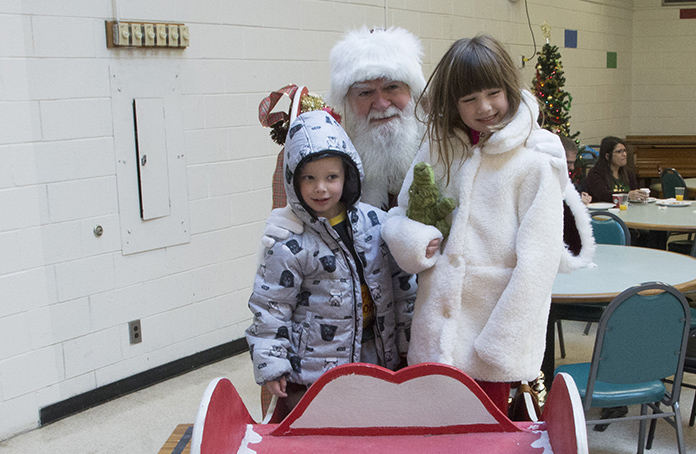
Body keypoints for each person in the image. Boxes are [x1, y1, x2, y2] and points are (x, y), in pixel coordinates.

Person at [382, 35, 594, 413]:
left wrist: (501, 343)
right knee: (436, 441)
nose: (484, 107)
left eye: (493, 93)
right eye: (468, 99)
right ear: (453, 103)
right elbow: (400, 216)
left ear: (509, 89)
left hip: (493, 342)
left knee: (487, 447)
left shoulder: (532, 160)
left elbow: (539, 262)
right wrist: (415, 240)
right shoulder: (437, 149)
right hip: (435, 338)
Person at [246, 110, 416, 416]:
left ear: (347, 175)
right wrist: (272, 364)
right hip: (314, 371)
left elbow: (403, 287)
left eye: (331, 177)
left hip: (376, 356)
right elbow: (271, 307)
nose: (320, 188)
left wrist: (407, 344)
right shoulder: (290, 241)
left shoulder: (376, 223)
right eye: (309, 178)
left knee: (372, 428)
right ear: (293, 180)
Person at [268, 27, 426, 212]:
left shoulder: (444, 148)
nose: (381, 104)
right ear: (346, 103)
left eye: (392, 87)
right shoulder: (323, 156)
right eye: (365, 93)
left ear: (412, 92)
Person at [580, 136, 647, 205]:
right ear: (607, 156)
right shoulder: (595, 174)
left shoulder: (628, 172)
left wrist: (640, 195)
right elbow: (604, 196)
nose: (624, 154)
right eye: (619, 152)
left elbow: (634, 191)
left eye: (624, 151)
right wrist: (628, 195)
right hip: (604, 213)